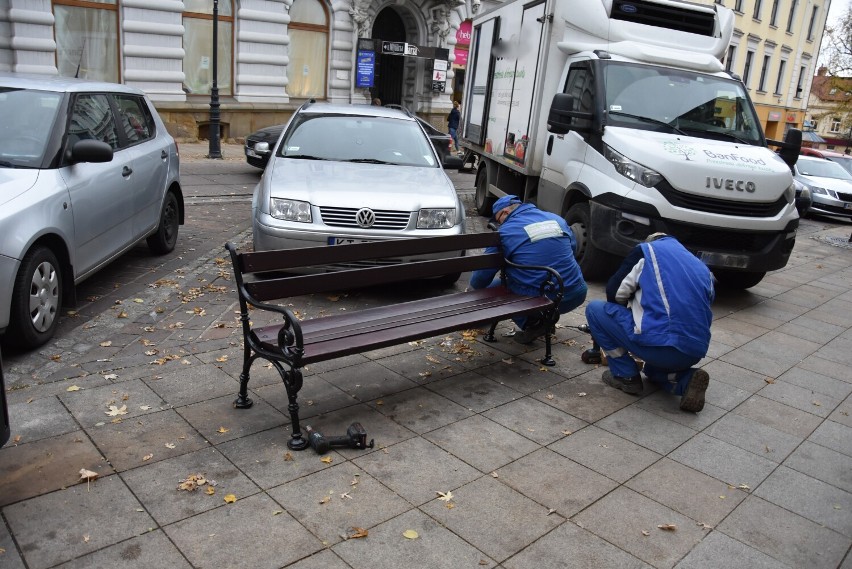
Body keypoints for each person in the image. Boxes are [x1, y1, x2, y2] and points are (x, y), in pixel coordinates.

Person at [584, 233, 714, 412]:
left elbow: (615, 293)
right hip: (693, 350)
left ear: (650, 241)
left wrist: (629, 317)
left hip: (658, 345)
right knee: (652, 371)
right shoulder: (700, 267)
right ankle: (686, 380)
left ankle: (625, 375)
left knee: (596, 309)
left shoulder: (647, 252)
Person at [469, 195, 587, 344]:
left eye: (499, 219)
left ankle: (534, 325)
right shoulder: (556, 219)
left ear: (505, 212)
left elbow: (483, 273)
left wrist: (472, 294)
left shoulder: (506, 232)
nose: (500, 224)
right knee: (518, 280)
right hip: (576, 292)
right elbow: (573, 248)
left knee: (496, 291)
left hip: (545, 298)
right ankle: (542, 321)